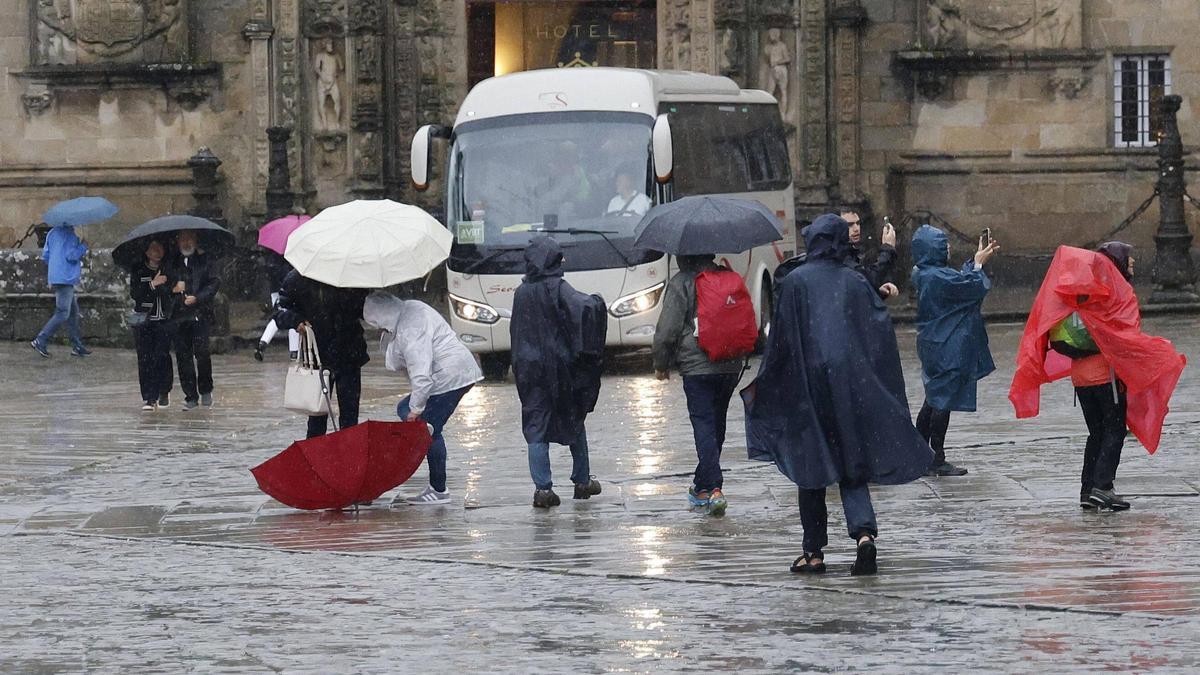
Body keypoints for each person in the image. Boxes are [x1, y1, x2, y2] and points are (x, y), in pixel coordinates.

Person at [745, 214, 933, 576]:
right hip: (850, 388)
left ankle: (813, 552)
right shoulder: (854, 281)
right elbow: (876, 333)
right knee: (852, 462)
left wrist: (771, 381)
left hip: (808, 389)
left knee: (810, 465)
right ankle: (864, 536)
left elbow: (782, 339)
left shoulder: (796, 282)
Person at [1010, 242, 1186, 511]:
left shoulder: (1081, 295)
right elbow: (1123, 337)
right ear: (1117, 263)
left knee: (1096, 432)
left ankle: (1087, 490)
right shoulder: (1114, 296)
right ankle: (1103, 487)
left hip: (1080, 376)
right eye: (1128, 260)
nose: (1133, 264)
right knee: (1114, 430)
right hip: (1105, 374)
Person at [510, 236, 606, 508]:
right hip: (559, 369)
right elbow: (584, 308)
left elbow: (516, 332)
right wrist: (598, 301)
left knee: (536, 427)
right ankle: (582, 480)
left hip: (529, 370)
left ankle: (543, 488)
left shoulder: (521, 292)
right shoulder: (559, 288)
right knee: (574, 419)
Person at [363, 291, 483, 506]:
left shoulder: (410, 329)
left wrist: (416, 409)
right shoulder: (410, 308)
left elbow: (421, 374)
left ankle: (438, 489)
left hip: (450, 377)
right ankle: (436, 486)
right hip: (455, 373)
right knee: (410, 414)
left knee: (425, 427)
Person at [653, 254, 744, 515]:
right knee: (717, 423)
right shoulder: (727, 276)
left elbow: (667, 329)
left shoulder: (681, 282)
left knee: (704, 424)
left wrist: (661, 363)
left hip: (697, 367)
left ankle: (713, 488)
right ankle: (702, 484)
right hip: (729, 363)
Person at [910, 224, 999, 477]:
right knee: (942, 401)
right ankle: (936, 457)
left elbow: (959, 283)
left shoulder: (925, 273)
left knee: (934, 398)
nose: (948, 247)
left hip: (934, 343)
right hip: (947, 344)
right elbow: (972, 287)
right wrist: (979, 265)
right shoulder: (936, 277)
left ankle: (919, 452)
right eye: (943, 243)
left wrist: (976, 261)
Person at [273, 270, 368, 438]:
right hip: (317, 356)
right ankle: (316, 458)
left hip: (349, 353)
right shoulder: (297, 279)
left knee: (350, 416)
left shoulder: (351, 276)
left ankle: (348, 457)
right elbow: (280, 312)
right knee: (317, 416)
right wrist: (296, 321)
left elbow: (364, 308)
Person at [168, 230, 220, 410]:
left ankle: (206, 389)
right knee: (183, 356)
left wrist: (197, 297)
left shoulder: (206, 260)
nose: (186, 242)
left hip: (200, 314)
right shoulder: (172, 261)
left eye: (190, 238)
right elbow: (165, 285)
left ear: (196, 240)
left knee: (202, 353)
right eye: (183, 239)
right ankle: (190, 395)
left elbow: (213, 283)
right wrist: (174, 289)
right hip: (178, 316)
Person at [30, 223, 90, 358]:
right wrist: (83, 245)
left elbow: (46, 256)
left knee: (74, 312)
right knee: (63, 312)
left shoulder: (51, 233)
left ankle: (77, 345)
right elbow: (71, 256)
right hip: (66, 278)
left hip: (56, 276)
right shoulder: (70, 235)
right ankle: (41, 340)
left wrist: (56, 267)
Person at [129, 239, 176, 411]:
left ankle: (164, 389)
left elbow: (173, 293)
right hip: (144, 320)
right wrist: (152, 284)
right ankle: (149, 397)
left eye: (159, 248)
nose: (157, 252)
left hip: (164, 319)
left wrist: (165, 285)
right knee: (145, 358)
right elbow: (136, 294)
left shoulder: (169, 269)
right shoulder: (138, 269)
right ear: (147, 253)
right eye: (153, 249)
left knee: (162, 356)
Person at [254, 250, 300, 362]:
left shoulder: (272, 256)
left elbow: (271, 274)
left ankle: (263, 343)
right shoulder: (291, 253)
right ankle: (294, 351)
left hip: (276, 289)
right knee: (293, 316)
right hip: (288, 288)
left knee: (278, 316)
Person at [844, 210, 899, 299]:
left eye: (858, 223)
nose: (856, 228)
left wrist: (877, 291)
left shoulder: (853, 253)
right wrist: (887, 250)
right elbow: (864, 279)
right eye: (850, 225)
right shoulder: (840, 257)